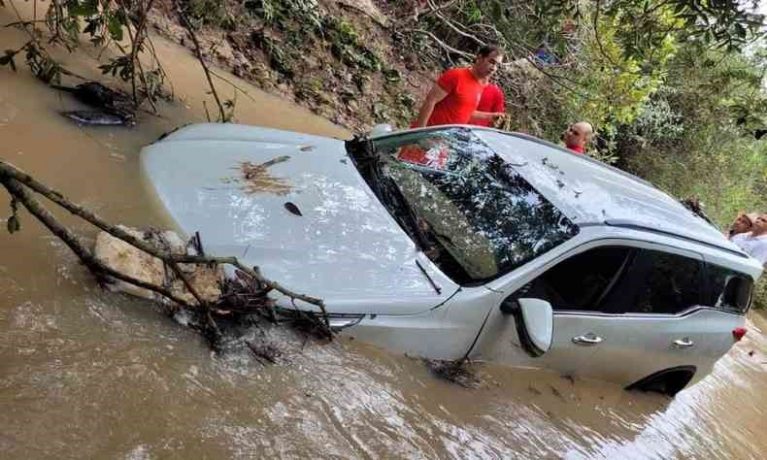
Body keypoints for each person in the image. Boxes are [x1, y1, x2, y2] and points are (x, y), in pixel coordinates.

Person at [412, 45, 506, 128]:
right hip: (426, 134)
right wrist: (420, 132)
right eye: (491, 62)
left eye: (497, 65)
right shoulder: (456, 75)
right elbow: (430, 100)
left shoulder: (479, 86)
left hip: (443, 142)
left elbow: (465, 111)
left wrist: (490, 116)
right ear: (480, 58)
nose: (494, 68)